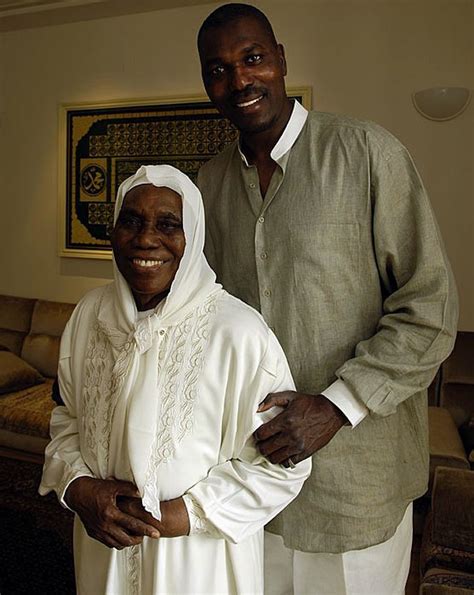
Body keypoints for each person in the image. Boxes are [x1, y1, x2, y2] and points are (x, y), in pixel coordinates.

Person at [196, 4, 459, 594]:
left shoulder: (367, 153)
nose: (239, 80)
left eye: (253, 58)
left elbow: (429, 310)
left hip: (354, 489)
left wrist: (336, 406)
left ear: (281, 60)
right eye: (218, 69)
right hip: (246, 486)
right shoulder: (204, 187)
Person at [39, 164, 311, 595]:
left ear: (195, 237)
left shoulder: (239, 332)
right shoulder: (89, 315)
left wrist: (182, 515)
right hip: (102, 553)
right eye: (131, 221)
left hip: (200, 565)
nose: (146, 239)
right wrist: (77, 487)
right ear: (112, 232)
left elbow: (280, 471)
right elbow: (66, 420)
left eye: (168, 225)